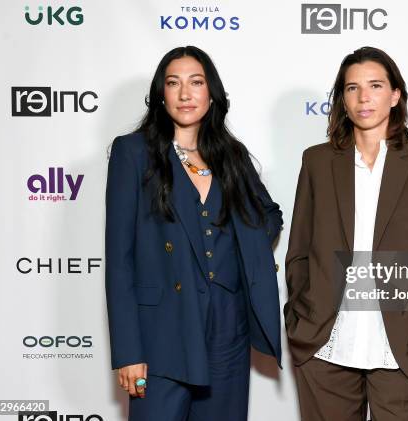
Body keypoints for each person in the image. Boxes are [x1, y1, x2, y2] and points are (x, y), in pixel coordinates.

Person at [105, 46, 283, 420]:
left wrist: (246, 254)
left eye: (196, 82)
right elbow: (119, 260)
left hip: (226, 330)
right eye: (174, 83)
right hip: (161, 334)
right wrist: (128, 353)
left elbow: (268, 215)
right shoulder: (133, 153)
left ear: (211, 92)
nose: (185, 94)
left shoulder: (231, 155)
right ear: (161, 94)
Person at [285, 46, 408, 421]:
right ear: (342, 99)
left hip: (404, 347)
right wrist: (301, 316)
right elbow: (298, 251)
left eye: (376, 85)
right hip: (325, 346)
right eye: (352, 88)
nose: (364, 97)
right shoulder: (316, 161)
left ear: (395, 95)